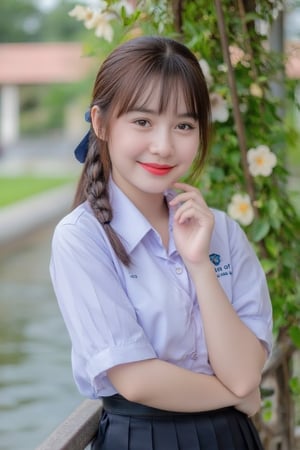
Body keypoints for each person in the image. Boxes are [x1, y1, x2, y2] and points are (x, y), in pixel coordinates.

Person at [50, 35, 273, 450]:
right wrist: (235, 397)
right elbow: (136, 381)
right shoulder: (81, 238)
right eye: (142, 121)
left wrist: (200, 263)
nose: (164, 145)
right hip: (143, 439)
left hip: (233, 438)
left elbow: (244, 374)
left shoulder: (221, 231)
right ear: (100, 123)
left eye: (184, 125)